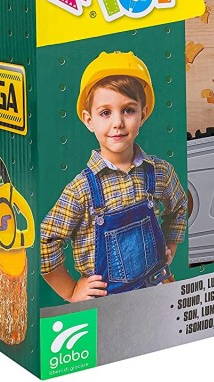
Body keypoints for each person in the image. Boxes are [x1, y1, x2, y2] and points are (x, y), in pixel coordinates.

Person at [40, 51, 187, 302]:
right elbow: (47, 240)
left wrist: (170, 246)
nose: (118, 122)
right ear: (89, 120)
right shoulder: (82, 189)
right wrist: (71, 291)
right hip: (107, 304)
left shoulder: (160, 172)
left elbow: (180, 206)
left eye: (128, 110)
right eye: (105, 113)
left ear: (143, 114)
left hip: (158, 292)